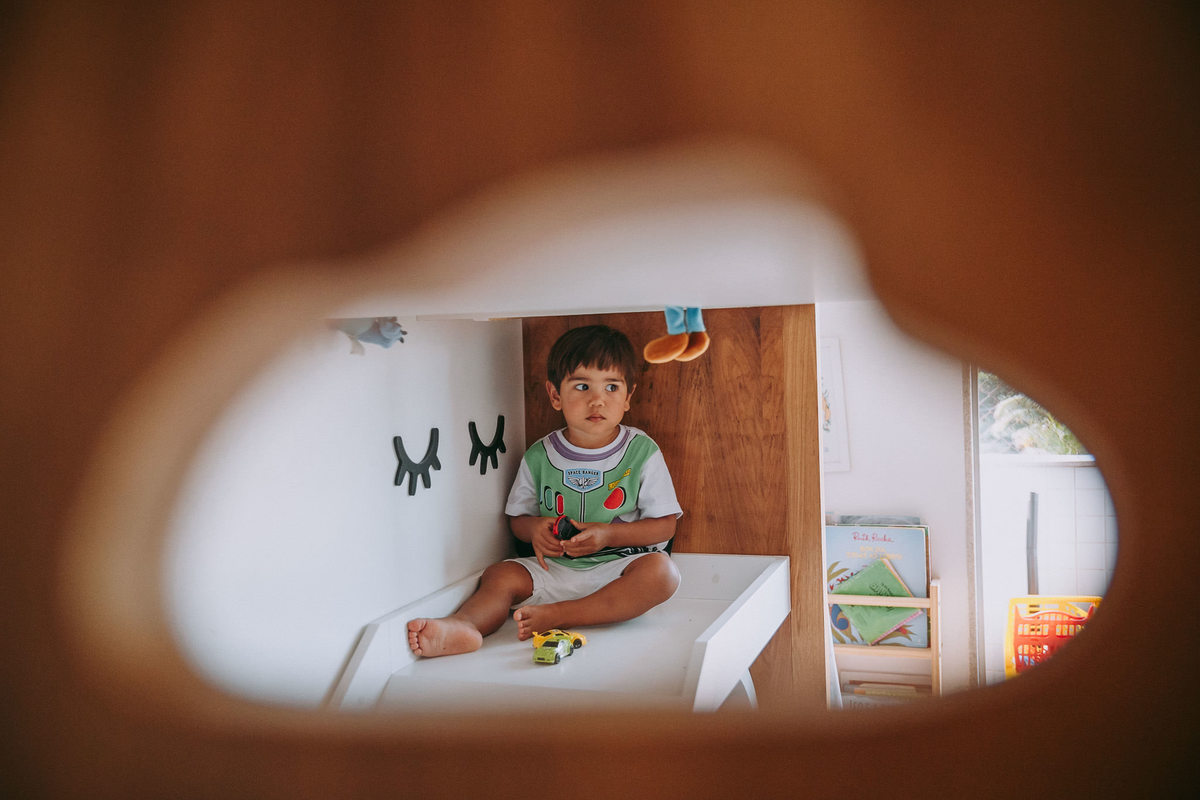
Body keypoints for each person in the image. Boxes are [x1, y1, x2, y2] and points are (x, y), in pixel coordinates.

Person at [407, 325, 682, 657]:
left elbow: (666, 526)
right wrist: (535, 529)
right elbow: (518, 519)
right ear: (555, 395)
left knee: (663, 573)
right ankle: (463, 626)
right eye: (582, 386)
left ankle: (560, 615)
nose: (597, 399)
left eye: (611, 387)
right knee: (500, 574)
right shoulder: (540, 454)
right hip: (554, 569)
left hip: (618, 570)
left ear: (627, 398)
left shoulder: (642, 451)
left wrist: (608, 535)